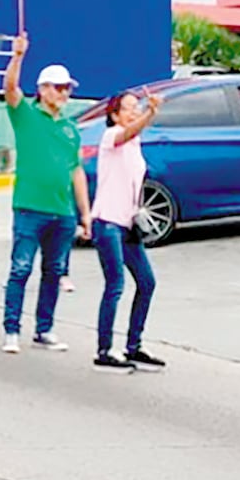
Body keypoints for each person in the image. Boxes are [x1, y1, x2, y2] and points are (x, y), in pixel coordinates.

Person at [0, 35, 91, 354]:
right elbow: (10, 89)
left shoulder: (70, 128)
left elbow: (75, 170)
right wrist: (18, 57)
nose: (64, 93)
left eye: (67, 88)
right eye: (58, 87)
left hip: (62, 212)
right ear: (43, 89)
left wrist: (85, 212)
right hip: (29, 207)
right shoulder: (26, 114)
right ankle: (12, 329)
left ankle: (44, 328)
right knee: (21, 268)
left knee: (53, 271)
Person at [91, 90, 166, 373]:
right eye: (129, 108)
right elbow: (128, 132)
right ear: (114, 115)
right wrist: (150, 113)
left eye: (138, 107)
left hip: (128, 224)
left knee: (147, 282)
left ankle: (134, 345)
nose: (134, 112)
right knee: (115, 285)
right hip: (107, 223)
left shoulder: (135, 144)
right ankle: (104, 350)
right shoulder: (111, 137)